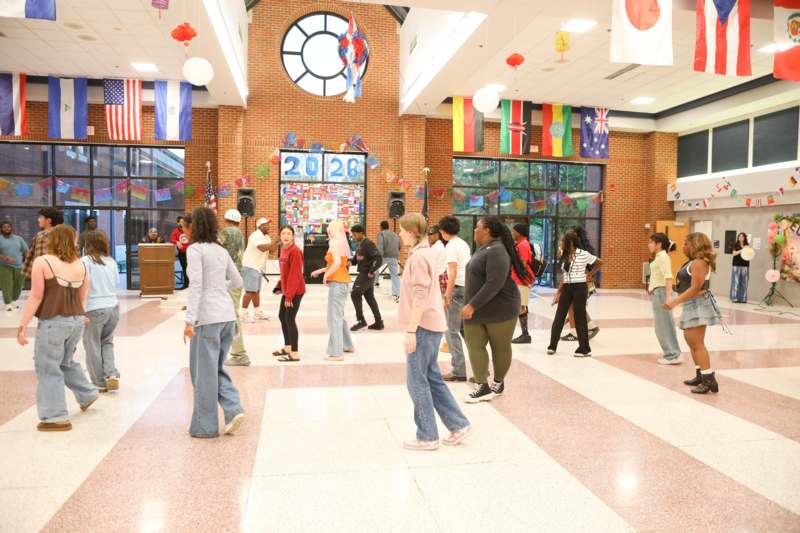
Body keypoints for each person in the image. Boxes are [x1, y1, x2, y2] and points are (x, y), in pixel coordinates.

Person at [397, 213, 472, 450]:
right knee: (431, 378)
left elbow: (420, 294)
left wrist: (411, 330)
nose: (400, 234)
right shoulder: (425, 252)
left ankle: (427, 436)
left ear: (411, 232)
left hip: (423, 326)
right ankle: (458, 424)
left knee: (416, 381)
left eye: (402, 230)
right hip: (430, 324)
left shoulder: (420, 257)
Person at [16, 224, 99, 432]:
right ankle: (87, 394)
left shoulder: (43, 261)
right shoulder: (81, 265)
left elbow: (36, 296)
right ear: (73, 241)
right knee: (65, 362)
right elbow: (83, 297)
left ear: (52, 240)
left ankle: (55, 417)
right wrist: (80, 315)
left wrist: (22, 324)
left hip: (53, 322)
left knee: (47, 367)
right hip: (76, 322)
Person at [182, 207, 245, 438]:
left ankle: (205, 427)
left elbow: (196, 286)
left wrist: (189, 320)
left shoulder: (195, 250)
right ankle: (233, 408)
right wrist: (218, 287)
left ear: (194, 226)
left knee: (202, 374)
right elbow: (237, 281)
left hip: (207, 318)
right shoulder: (221, 250)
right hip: (227, 316)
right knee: (214, 369)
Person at [463, 217, 531, 403]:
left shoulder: (498, 250)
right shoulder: (484, 248)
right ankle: (482, 385)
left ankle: (498, 382)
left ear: (487, 230)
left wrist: (472, 305)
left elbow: (494, 283)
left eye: (477, 227)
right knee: (474, 345)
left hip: (500, 307)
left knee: (499, 347)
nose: (474, 230)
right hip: (477, 308)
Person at [664, 233, 722, 394]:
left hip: (698, 305)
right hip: (691, 304)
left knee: (697, 344)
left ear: (694, 245)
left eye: (685, 244)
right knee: (691, 342)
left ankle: (709, 380)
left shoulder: (699, 263)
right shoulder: (693, 261)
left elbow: (695, 288)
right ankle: (700, 375)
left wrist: (674, 302)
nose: (682, 247)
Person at [547, 231, 603, 358]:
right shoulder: (564, 254)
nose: (561, 243)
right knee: (559, 316)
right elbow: (564, 274)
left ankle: (584, 349)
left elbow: (600, 262)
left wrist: (590, 274)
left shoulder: (583, 254)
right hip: (567, 287)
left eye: (563, 241)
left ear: (571, 243)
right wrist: (559, 292)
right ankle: (552, 346)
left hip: (580, 287)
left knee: (579, 317)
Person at [81, 230, 121, 392]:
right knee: (107, 342)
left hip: (94, 308)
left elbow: (81, 285)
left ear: (88, 244)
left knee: (92, 345)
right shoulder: (111, 261)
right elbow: (116, 283)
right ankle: (111, 374)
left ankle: (99, 382)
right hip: (113, 307)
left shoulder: (85, 261)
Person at [311, 220, 355, 361]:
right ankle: (347, 345)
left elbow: (336, 263)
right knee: (339, 316)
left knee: (334, 318)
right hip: (343, 283)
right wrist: (321, 271)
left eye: (329, 228)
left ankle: (336, 353)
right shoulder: (342, 243)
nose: (328, 231)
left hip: (337, 284)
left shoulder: (334, 242)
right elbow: (338, 265)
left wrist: (326, 276)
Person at [438, 216, 471, 382]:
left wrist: (447, 294)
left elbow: (452, 271)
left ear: (443, 231)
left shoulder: (451, 246)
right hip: (467, 288)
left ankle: (458, 370)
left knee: (451, 331)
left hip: (457, 290)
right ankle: (480, 368)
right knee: (465, 331)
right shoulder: (463, 243)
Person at [220, 209, 250, 366]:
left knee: (232, 316)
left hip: (228, 279)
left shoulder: (226, 232)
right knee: (230, 314)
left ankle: (240, 354)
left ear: (226, 219)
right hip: (237, 277)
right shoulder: (239, 233)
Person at [561, 225, 600, 341]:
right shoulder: (576, 249)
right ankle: (590, 327)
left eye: (570, 233)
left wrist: (590, 274)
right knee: (576, 306)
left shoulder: (580, 251)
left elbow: (597, 263)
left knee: (573, 307)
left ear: (576, 236)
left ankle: (576, 332)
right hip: (581, 283)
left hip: (582, 283)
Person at [648, 232, 682, 365]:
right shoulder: (660, 256)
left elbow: (668, 277)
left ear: (659, 244)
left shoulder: (662, 257)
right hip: (659, 292)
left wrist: (668, 297)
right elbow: (659, 276)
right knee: (663, 325)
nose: (649, 245)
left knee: (663, 325)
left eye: (651, 242)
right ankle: (673, 353)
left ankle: (672, 354)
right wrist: (652, 287)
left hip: (662, 293)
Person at [272, 226, 305, 362]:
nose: (286, 236)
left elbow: (294, 275)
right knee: (282, 316)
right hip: (287, 290)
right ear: (280, 236)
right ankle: (287, 347)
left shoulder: (295, 251)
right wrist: (279, 286)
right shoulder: (284, 250)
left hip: (295, 290)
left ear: (293, 236)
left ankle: (295, 352)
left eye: (289, 234)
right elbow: (284, 273)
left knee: (290, 319)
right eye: (283, 233)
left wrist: (289, 296)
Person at [350, 224, 384, 331]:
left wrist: (371, 270)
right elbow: (355, 260)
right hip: (364, 273)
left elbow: (378, 258)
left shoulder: (368, 244)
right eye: (353, 235)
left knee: (355, 294)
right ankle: (379, 322)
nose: (353, 237)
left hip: (366, 274)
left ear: (361, 233)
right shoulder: (360, 245)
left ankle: (361, 320)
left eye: (355, 235)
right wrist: (348, 261)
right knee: (369, 297)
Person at [240, 217, 272, 322]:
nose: (268, 226)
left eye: (268, 224)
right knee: (250, 291)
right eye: (265, 224)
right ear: (259, 226)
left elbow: (271, 250)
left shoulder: (267, 237)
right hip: (250, 266)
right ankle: (243, 314)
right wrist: (276, 242)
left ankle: (257, 311)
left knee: (256, 291)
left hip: (258, 267)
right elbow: (262, 248)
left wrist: (278, 242)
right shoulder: (255, 235)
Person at [511, 223, 535, 344]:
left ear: (519, 233)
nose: (512, 233)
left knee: (521, 306)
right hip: (519, 280)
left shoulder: (523, 245)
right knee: (520, 305)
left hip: (523, 280)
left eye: (514, 231)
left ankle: (525, 335)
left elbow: (523, 264)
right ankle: (524, 334)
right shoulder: (519, 244)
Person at [23, 207, 63, 279]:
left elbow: (41, 259)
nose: (38, 220)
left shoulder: (43, 235)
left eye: (41, 217)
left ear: (48, 221)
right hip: (61, 276)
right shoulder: (65, 234)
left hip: (45, 277)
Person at [0, 222, 29, 311]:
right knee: (7, 285)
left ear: (11, 228)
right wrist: (5, 258)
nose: (7, 228)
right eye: (4, 227)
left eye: (8, 227)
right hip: (4, 266)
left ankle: (13, 300)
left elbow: (26, 251)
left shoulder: (19, 239)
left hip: (19, 266)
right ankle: (8, 303)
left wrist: (26, 262)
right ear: (1, 229)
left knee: (19, 285)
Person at [376, 220, 401, 301]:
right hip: (394, 256)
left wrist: (379, 257)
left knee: (374, 267)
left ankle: (375, 282)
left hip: (384, 256)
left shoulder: (381, 234)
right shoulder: (395, 234)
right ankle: (397, 292)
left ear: (381, 227)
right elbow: (399, 245)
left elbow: (380, 246)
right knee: (394, 275)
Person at [170, 216, 191, 290]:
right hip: (182, 253)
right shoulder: (175, 231)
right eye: (181, 222)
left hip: (191, 252)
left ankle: (192, 284)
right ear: (178, 223)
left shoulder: (189, 230)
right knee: (185, 268)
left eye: (184, 222)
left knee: (192, 268)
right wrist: (177, 242)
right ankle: (186, 284)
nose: (183, 223)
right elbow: (172, 239)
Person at [427, 225, 448, 296]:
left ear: (437, 235)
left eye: (430, 234)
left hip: (438, 277)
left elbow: (429, 264)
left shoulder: (436, 247)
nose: (428, 236)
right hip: (441, 276)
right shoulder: (440, 245)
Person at [730, 232, 750, 303]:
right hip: (736, 265)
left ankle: (743, 298)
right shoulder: (735, 244)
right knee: (736, 281)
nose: (741, 238)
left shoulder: (747, 245)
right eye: (739, 236)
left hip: (745, 265)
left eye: (742, 236)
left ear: (745, 238)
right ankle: (734, 298)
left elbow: (750, 254)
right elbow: (734, 253)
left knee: (744, 282)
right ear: (738, 238)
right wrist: (742, 250)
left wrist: (748, 248)